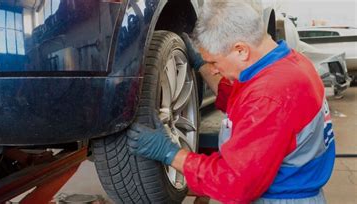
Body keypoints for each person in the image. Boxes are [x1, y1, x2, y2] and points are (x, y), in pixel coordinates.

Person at [127, 0, 335, 203]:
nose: (215, 69)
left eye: (214, 62)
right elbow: (242, 100)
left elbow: (235, 183)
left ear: (241, 50)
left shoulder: (269, 96)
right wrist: (202, 65)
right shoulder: (291, 63)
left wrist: (171, 153)